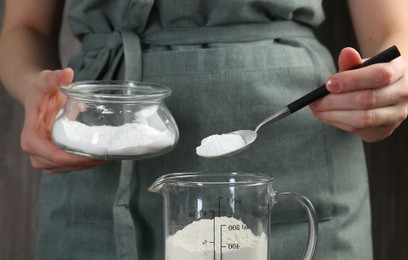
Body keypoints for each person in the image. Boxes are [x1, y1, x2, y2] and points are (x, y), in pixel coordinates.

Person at [1, 0, 408, 259]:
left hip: (296, 151)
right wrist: (37, 94)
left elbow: (396, 30)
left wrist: (387, 84)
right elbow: (24, 27)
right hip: (96, 146)